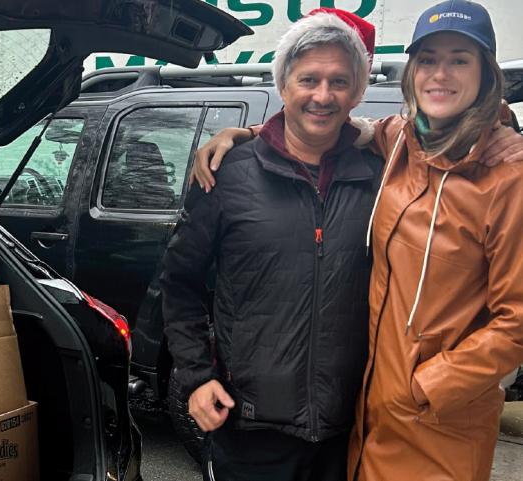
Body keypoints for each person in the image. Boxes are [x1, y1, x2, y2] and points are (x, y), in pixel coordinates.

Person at [190, 2, 523, 480]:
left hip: (439, 417)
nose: (440, 73)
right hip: (365, 412)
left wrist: (429, 386)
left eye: (460, 59)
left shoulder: (507, 175)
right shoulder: (400, 145)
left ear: (486, 74)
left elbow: (517, 319)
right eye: (427, 59)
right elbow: (324, 127)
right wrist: (244, 134)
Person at [161, 9, 381, 481]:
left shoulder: (379, 178)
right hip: (248, 430)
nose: (322, 96)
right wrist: (197, 379)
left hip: (349, 434)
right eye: (309, 79)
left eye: (339, 81)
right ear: (283, 85)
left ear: (357, 93)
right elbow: (178, 285)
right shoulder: (227, 174)